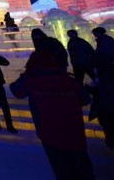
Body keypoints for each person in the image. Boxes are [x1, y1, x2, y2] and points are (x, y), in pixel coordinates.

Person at [10, 49, 94, 180]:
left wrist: (28, 74)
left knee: (61, 167)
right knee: (82, 164)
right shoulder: (68, 80)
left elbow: (16, 90)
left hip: (48, 131)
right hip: (73, 129)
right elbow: (85, 99)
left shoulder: (31, 81)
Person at [90, 27, 114, 149]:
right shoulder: (107, 41)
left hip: (107, 108)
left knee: (109, 125)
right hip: (108, 106)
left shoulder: (102, 78)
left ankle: (111, 142)